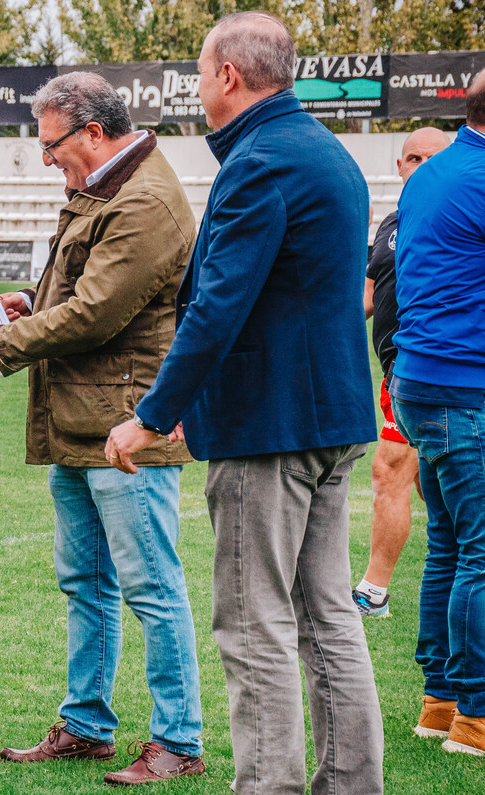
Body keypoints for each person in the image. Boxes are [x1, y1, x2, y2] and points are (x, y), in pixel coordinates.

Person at [105, 12, 383, 794]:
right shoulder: (325, 150)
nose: (197, 88)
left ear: (228, 75)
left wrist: (153, 412)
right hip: (328, 418)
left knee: (254, 619)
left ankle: (267, 784)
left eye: (199, 73)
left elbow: (218, 305)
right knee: (326, 616)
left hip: (272, 427)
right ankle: (351, 782)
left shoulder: (262, 160)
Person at [0, 72, 204, 786]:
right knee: (85, 581)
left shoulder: (144, 198)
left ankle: (178, 739)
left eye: (52, 144)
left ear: (92, 131)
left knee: (151, 585)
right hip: (83, 418)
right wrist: (26, 300)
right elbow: (79, 290)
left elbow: (97, 313)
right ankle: (87, 724)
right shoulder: (111, 185)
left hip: (127, 425)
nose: (48, 158)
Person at [391, 68, 485, 757]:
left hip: (423, 381)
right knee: (478, 550)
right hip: (462, 385)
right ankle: (477, 715)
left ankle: (441, 701)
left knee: (451, 545)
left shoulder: (433, 171)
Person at [353, 127, 449, 617]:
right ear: (399, 166)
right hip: (395, 373)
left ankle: (373, 592)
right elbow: (367, 296)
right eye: (413, 157)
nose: (420, 166)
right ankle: (454, 567)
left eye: (432, 158)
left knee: (390, 469)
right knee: (428, 480)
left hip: (433, 368)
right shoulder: (393, 220)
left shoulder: (461, 209)